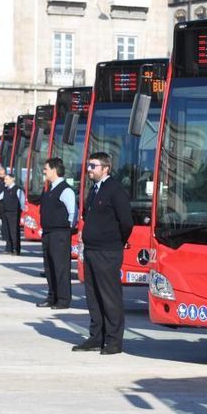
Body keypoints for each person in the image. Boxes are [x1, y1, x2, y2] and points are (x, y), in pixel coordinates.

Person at [73, 152, 133, 355]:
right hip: (91, 250)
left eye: (93, 166)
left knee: (109, 296)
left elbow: (126, 222)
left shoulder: (115, 190)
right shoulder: (94, 190)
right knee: (93, 295)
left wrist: (117, 242)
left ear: (105, 168)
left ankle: (114, 341)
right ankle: (96, 336)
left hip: (108, 251)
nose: (89, 170)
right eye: (88, 165)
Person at [37, 158, 76, 310]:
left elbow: (72, 213)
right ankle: (52, 297)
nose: (44, 171)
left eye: (46, 168)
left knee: (60, 267)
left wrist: (66, 229)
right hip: (48, 233)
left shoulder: (65, 190)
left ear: (54, 170)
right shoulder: (49, 189)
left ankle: (63, 299)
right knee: (49, 267)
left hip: (60, 234)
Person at [0, 173, 25, 255]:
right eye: (5, 179)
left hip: (14, 213)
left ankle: (16, 249)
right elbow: (0, 197)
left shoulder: (18, 189)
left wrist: (22, 211)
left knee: (14, 232)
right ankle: (8, 248)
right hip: (6, 212)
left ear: (12, 179)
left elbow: (22, 201)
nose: (5, 181)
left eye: (7, 179)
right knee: (7, 231)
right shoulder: (6, 189)